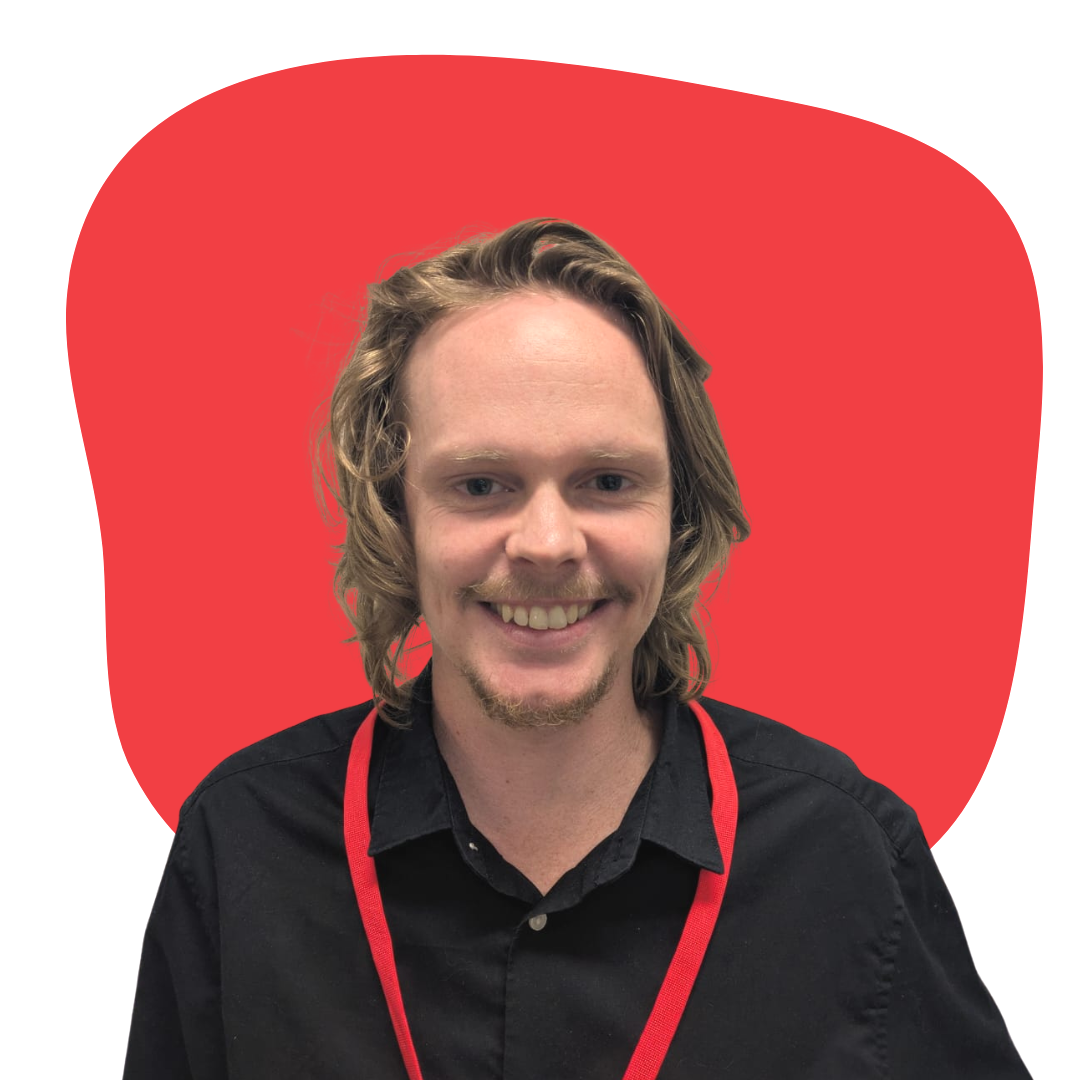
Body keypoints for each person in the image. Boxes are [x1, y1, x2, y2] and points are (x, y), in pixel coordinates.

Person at [123, 219, 1032, 1079]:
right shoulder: (243, 845)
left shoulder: (845, 853)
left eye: (606, 481)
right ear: (395, 517)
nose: (548, 544)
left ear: (678, 515)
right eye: (481, 484)